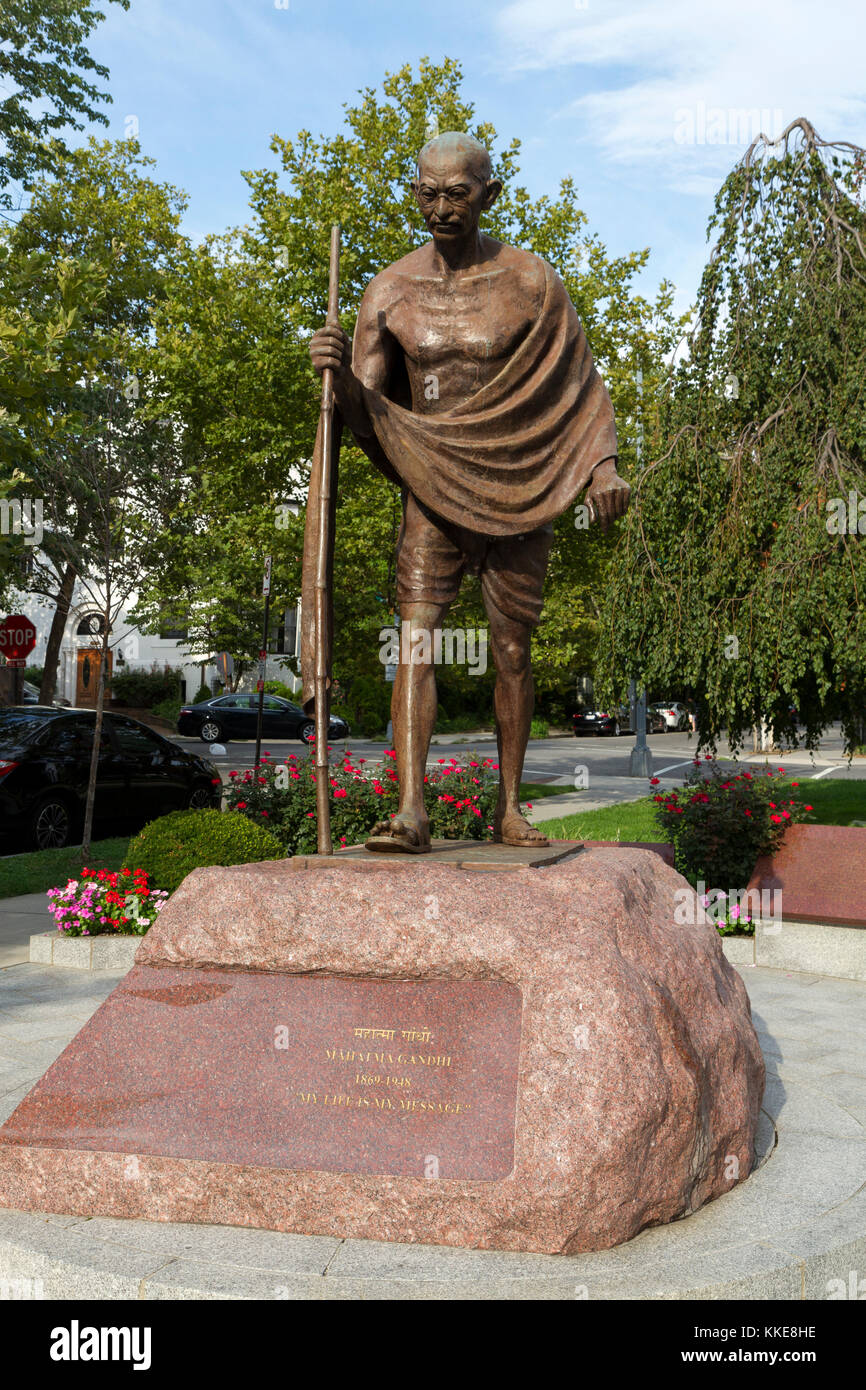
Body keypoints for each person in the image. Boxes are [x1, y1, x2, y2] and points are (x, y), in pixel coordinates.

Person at [306, 132, 630, 852]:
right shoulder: (388, 291)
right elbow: (369, 410)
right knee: (416, 640)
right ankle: (412, 810)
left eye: (457, 192)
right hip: (430, 484)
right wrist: (335, 373)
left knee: (512, 650)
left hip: (518, 486)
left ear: (490, 193)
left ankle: (512, 806)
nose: (441, 207)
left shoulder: (532, 283)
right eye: (427, 191)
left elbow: (581, 388)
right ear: (414, 192)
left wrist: (602, 467)